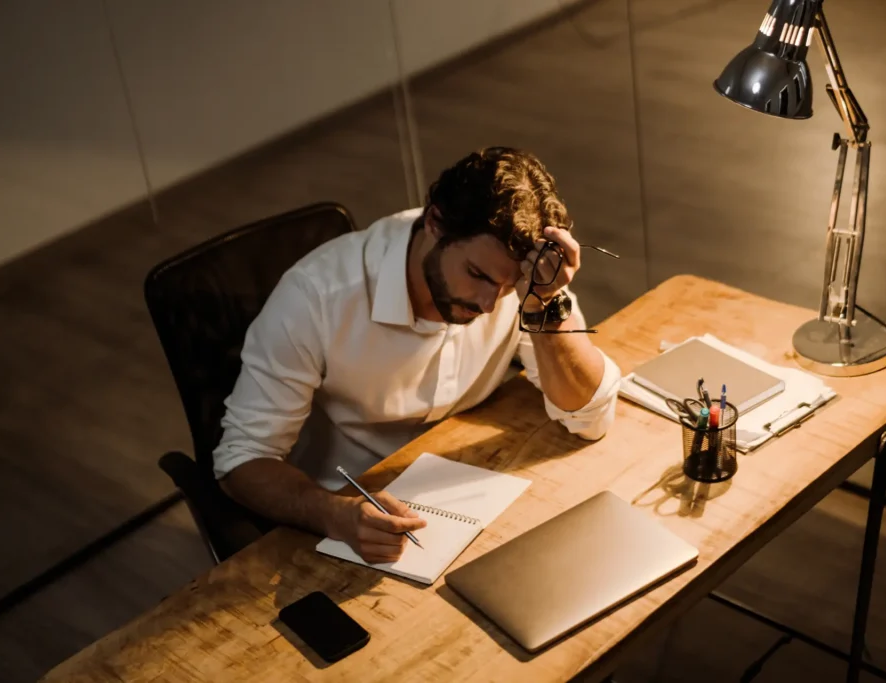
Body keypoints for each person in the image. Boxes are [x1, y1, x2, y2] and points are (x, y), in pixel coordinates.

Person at [213, 147, 622, 563]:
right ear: (434, 223)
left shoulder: (518, 278)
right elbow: (241, 461)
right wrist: (333, 513)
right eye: (476, 275)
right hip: (351, 511)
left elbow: (588, 416)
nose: (488, 304)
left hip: (474, 487)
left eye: (508, 286)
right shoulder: (315, 297)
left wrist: (542, 303)